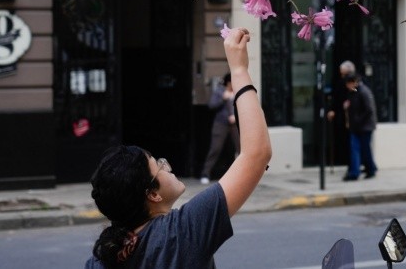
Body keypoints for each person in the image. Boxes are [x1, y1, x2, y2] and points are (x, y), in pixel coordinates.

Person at [85, 27, 271, 269]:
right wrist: (239, 70)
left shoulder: (101, 261)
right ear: (153, 194)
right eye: (159, 165)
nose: (167, 165)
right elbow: (256, 154)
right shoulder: (182, 233)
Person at [200, 73, 240, 185]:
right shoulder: (219, 91)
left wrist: (236, 116)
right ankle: (205, 174)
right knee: (215, 148)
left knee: (240, 149)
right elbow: (212, 105)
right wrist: (223, 98)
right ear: (228, 82)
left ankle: (240, 175)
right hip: (221, 123)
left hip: (235, 125)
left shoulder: (238, 91)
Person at [342, 73, 378, 181]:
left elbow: (369, 110)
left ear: (353, 83)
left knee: (363, 149)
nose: (347, 86)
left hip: (365, 127)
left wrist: (358, 120)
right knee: (356, 149)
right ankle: (357, 172)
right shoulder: (355, 91)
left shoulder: (363, 91)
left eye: (348, 84)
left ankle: (369, 169)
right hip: (356, 127)